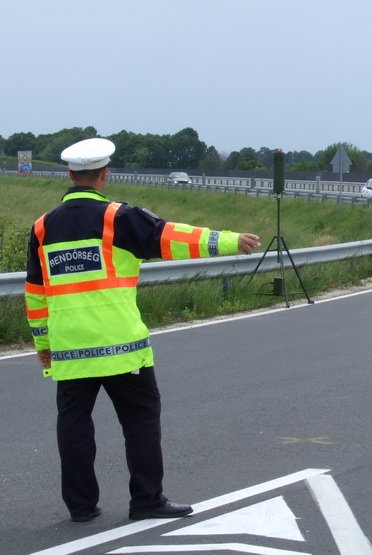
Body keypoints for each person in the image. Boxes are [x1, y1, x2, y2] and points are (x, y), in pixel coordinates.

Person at [24, 138, 261, 523]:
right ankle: (147, 499)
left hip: (69, 348)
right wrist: (231, 241)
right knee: (140, 419)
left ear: (69, 174)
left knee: (74, 426)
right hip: (121, 347)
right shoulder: (115, 217)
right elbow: (171, 238)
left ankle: (81, 506)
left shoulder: (41, 227)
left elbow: (35, 295)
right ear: (104, 174)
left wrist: (44, 348)